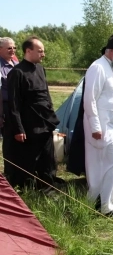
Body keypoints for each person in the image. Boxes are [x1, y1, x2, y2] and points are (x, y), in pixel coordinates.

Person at [83, 33, 113, 217]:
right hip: (101, 126)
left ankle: (108, 202)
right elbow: (89, 99)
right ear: (110, 51)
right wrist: (95, 126)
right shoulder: (97, 67)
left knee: (111, 163)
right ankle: (102, 205)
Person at [7, 36, 60, 189]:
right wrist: (18, 129)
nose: (43, 54)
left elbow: (46, 95)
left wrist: (50, 116)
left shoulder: (41, 69)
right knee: (28, 160)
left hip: (45, 122)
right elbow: (14, 104)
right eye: (40, 51)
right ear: (28, 51)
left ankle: (47, 187)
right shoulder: (17, 73)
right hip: (29, 125)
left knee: (48, 158)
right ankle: (26, 188)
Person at [0, 37, 19, 178]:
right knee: (8, 142)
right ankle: (9, 173)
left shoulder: (16, 62)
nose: (12, 50)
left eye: (14, 47)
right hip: (5, 108)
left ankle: (18, 172)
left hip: (18, 108)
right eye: (9, 48)